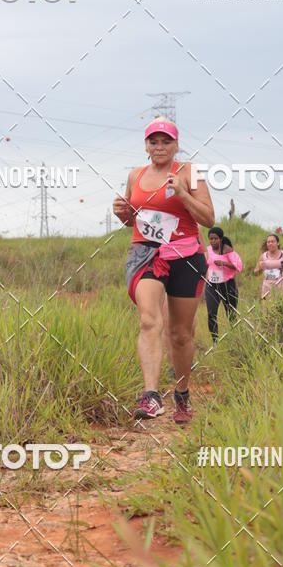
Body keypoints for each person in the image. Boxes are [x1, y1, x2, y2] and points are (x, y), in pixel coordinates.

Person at [113, 117, 214, 424]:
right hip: (146, 254)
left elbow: (209, 218)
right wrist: (124, 214)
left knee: (181, 334)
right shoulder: (135, 175)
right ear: (146, 145)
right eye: (153, 142)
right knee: (148, 320)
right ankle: (151, 396)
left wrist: (183, 194)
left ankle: (182, 394)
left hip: (185, 256)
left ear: (176, 145)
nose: (159, 147)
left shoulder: (189, 173)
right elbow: (134, 220)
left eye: (165, 141)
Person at [205, 226, 243, 343]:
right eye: (211, 239)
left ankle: (235, 339)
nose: (213, 241)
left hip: (228, 285)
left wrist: (224, 263)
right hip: (212, 285)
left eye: (215, 239)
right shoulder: (208, 250)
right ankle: (215, 341)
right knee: (211, 314)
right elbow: (204, 263)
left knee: (231, 314)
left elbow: (239, 267)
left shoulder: (228, 250)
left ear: (221, 239)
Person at [254, 233, 283, 299]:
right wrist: (259, 269)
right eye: (268, 242)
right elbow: (256, 273)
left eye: (272, 241)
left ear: (277, 243)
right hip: (267, 288)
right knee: (266, 309)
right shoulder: (263, 256)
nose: (270, 243)